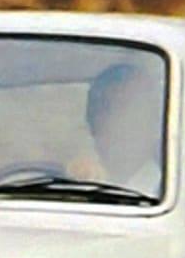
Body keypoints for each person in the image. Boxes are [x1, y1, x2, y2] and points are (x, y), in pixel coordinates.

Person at [68, 60, 168, 199]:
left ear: (155, 124)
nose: (118, 127)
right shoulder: (78, 187)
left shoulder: (169, 192)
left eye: (132, 112)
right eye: (104, 110)